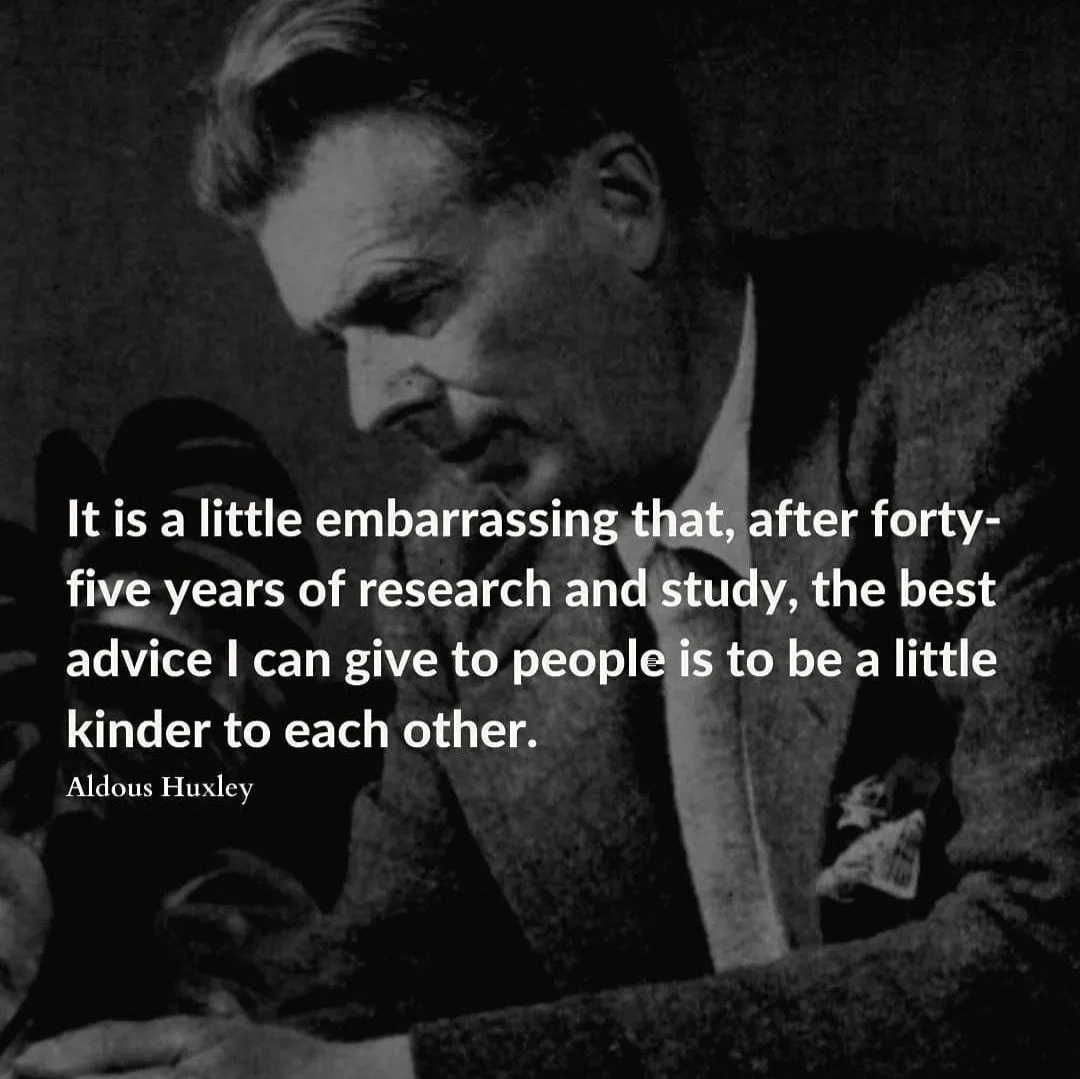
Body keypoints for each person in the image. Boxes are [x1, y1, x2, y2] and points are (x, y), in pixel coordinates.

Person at [15, 0, 1080, 1075]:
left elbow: (1045, 957)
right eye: (339, 341)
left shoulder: (997, 407)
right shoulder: (455, 564)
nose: (368, 404)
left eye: (407, 303)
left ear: (623, 202)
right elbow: (382, 981)